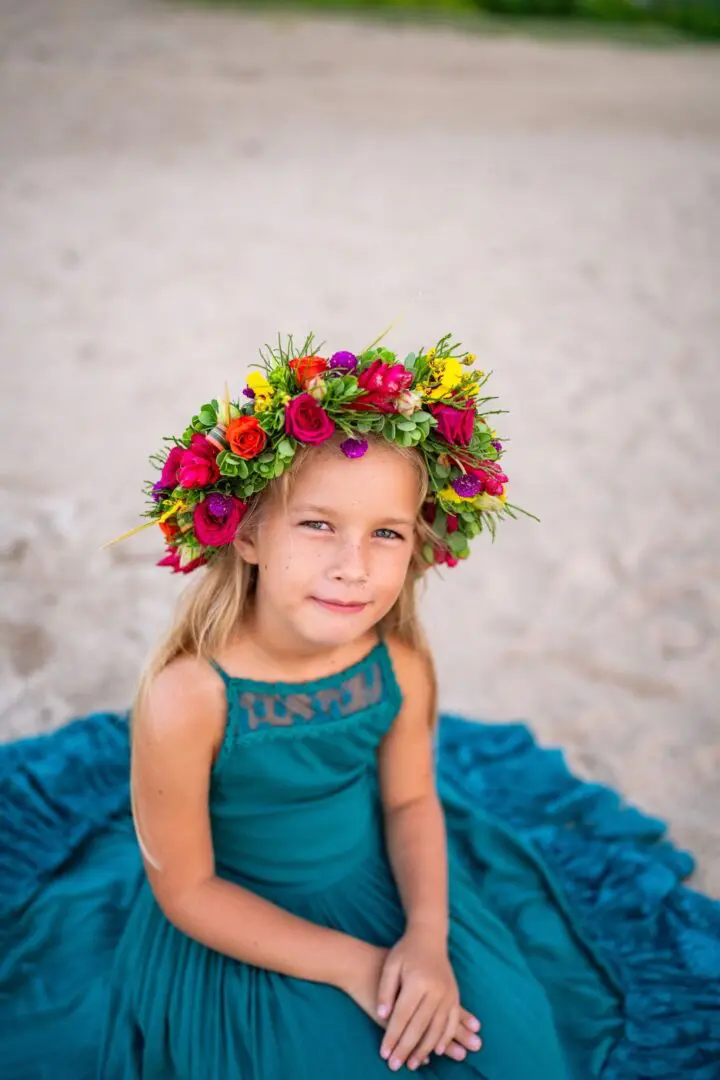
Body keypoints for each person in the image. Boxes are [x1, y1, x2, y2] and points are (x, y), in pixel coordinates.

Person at [1, 335, 717, 1080]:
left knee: (511, 1047)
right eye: (318, 524)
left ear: (416, 545)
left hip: (381, 886)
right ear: (246, 533)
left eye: (385, 534)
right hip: (238, 923)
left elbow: (409, 802)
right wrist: (355, 964)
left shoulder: (398, 662)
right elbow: (186, 887)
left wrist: (425, 940)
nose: (352, 566)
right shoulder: (190, 696)